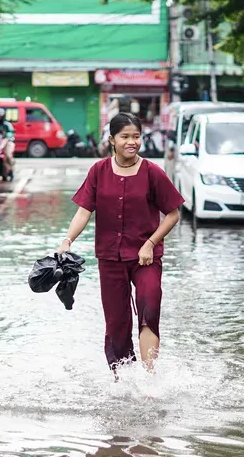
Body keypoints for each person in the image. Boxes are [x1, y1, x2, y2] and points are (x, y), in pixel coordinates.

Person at [58, 113, 183, 373]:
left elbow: (173, 214)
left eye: (136, 136)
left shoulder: (152, 172)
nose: (132, 142)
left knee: (149, 305)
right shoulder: (98, 171)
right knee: (116, 323)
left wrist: (150, 243)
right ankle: (123, 378)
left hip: (145, 257)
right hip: (110, 258)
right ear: (112, 140)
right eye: (125, 137)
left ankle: (150, 379)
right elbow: (84, 211)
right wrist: (67, 241)